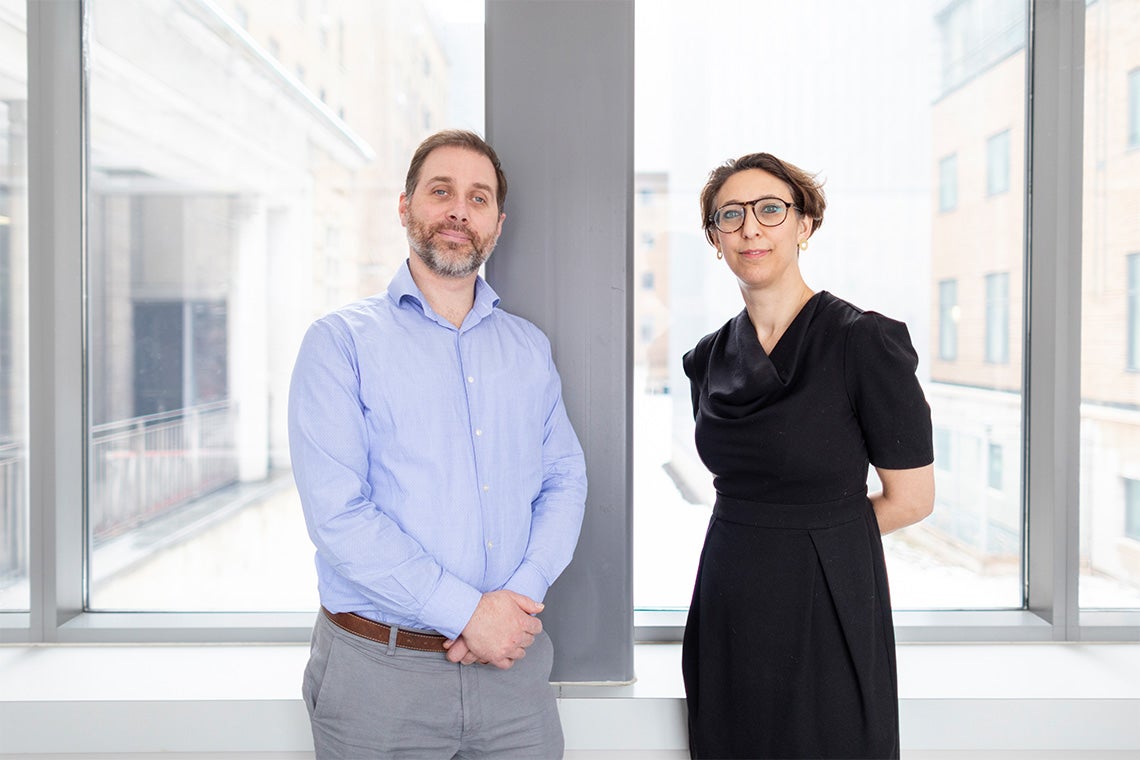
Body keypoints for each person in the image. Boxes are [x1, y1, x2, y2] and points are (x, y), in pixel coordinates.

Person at [288, 129, 587, 759]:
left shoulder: (527, 349)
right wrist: (469, 615)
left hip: (513, 675)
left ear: (496, 225)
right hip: (379, 679)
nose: (458, 210)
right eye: (440, 191)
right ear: (405, 207)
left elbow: (564, 479)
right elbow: (339, 514)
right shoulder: (340, 344)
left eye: (477, 199)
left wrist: (515, 602)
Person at [681, 152, 935, 759]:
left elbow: (913, 501)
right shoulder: (707, 357)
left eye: (771, 210)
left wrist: (810, 534)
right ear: (715, 240)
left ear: (805, 225)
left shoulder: (863, 342)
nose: (751, 228)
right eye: (731, 215)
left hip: (827, 590)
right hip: (728, 590)